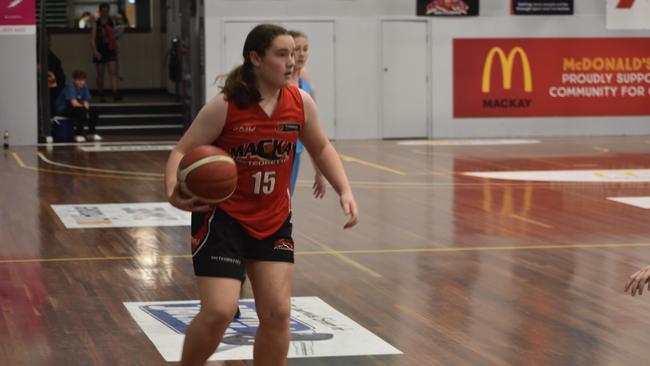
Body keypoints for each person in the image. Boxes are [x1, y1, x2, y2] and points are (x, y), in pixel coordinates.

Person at [164, 24, 358, 366]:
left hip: (272, 218)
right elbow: (181, 152)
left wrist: (345, 189)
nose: (291, 62)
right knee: (220, 312)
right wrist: (172, 192)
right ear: (256, 58)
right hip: (222, 218)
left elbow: (322, 147)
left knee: (279, 313)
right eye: (281, 54)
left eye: (294, 55)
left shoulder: (300, 103)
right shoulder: (225, 106)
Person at [288, 30, 326, 198]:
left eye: (305, 49)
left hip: (295, 153)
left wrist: (320, 171)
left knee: (287, 204)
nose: (302, 54)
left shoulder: (306, 81)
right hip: (277, 154)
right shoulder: (278, 82)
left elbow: (313, 133)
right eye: (297, 49)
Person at [54, 70, 101, 142]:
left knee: (95, 110)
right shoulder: (70, 86)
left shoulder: (84, 86)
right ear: (74, 80)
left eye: (83, 80)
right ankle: (78, 134)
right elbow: (74, 103)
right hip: (63, 108)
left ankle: (91, 133)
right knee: (81, 111)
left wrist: (88, 109)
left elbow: (86, 102)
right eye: (79, 80)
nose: (82, 82)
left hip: (76, 107)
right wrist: (85, 110)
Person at [91, 2, 121, 102]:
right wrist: (95, 51)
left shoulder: (112, 22)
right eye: (103, 11)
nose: (105, 13)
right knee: (100, 74)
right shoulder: (96, 23)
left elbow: (116, 34)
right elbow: (92, 39)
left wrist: (116, 43)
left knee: (113, 72)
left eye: (106, 11)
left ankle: (115, 93)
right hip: (100, 49)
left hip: (110, 48)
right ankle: (101, 94)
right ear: (100, 12)